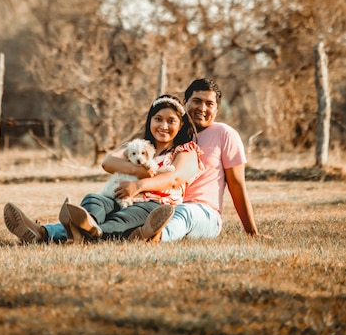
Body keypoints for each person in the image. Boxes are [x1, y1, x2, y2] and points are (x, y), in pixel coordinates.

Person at [3, 94, 203, 244]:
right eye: (158, 119)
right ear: (150, 120)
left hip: (150, 203)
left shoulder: (185, 149)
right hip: (115, 196)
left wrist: (139, 186)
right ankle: (79, 228)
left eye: (171, 121)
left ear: (181, 123)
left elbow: (174, 178)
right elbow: (108, 162)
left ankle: (46, 233)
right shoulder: (136, 145)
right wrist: (140, 171)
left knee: (121, 219)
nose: (163, 125)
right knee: (94, 200)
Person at [112, 78, 267, 242]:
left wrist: (252, 232)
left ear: (217, 109)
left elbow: (237, 185)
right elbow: (113, 159)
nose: (202, 108)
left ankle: (156, 237)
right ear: (185, 103)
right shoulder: (170, 132)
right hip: (161, 205)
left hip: (203, 212)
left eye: (209, 103)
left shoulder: (224, 134)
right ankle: (98, 231)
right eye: (197, 101)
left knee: (184, 212)